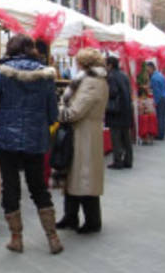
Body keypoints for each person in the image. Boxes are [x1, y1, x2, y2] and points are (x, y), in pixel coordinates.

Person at [0, 34, 63, 254]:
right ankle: (53, 237)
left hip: (6, 139)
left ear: (11, 49)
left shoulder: (3, 74)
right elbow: (53, 114)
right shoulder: (46, 76)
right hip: (36, 140)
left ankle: (16, 238)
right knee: (38, 188)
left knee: (11, 187)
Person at [56, 48, 109, 234]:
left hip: (84, 133)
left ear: (84, 63)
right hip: (81, 133)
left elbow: (75, 112)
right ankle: (70, 216)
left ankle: (92, 220)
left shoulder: (91, 82)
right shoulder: (90, 80)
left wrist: (60, 110)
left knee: (84, 178)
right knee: (74, 176)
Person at [104, 56, 133, 169]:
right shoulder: (124, 75)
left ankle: (118, 161)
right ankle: (128, 160)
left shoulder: (111, 77)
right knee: (126, 137)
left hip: (116, 111)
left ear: (110, 65)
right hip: (126, 109)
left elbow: (112, 92)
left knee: (116, 137)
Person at [146, 62, 165, 141]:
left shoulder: (154, 78)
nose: (147, 71)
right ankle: (162, 133)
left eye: (147, 69)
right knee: (163, 116)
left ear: (151, 68)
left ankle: (160, 134)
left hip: (161, 98)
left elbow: (156, 92)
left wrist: (156, 102)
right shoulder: (160, 75)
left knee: (160, 116)